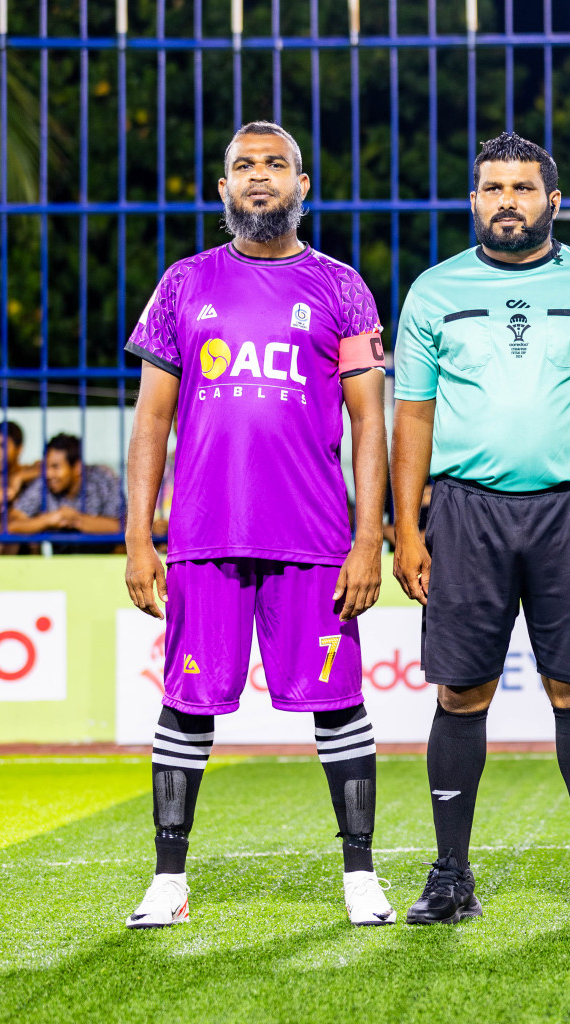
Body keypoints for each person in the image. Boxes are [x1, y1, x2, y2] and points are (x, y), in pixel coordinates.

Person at [120, 121, 393, 928]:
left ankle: (360, 876)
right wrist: (139, 537)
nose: (261, 177)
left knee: (337, 701)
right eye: (245, 166)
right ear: (223, 189)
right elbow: (150, 422)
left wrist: (369, 538)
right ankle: (169, 879)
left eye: (277, 165)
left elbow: (369, 425)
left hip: (313, 540)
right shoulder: (182, 285)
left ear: (302, 186)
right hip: (205, 538)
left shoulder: (342, 287)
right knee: (189, 704)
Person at [391, 132, 570, 926]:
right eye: (492, 188)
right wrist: (406, 528)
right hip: (465, 511)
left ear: (554, 201)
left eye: (523, 187)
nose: (508, 200)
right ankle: (450, 875)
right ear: (475, 201)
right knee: (460, 690)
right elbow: (412, 416)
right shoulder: (434, 291)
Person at [9, 433, 126, 549]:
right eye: (46, 467)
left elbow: (125, 526)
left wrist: (76, 520)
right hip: (59, 561)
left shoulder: (102, 478)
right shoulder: (43, 483)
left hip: (104, 558)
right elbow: (11, 525)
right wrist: (50, 520)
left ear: (77, 468)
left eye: (55, 467)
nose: (48, 474)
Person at [0, 421, 39, 553]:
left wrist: (19, 478)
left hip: (18, 563)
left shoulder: (28, 474)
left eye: (2, 446)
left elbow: (49, 466)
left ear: (19, 449)